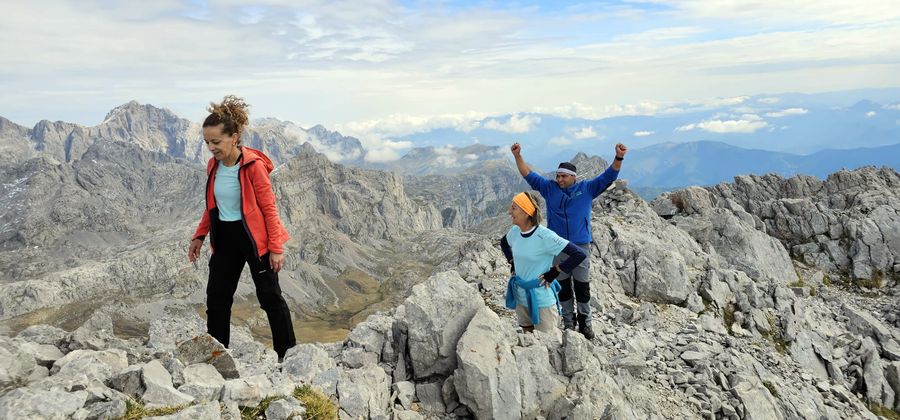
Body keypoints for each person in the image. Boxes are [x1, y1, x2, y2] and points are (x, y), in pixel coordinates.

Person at [188, 95, 296, 362]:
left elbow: (269, 209)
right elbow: (211, 207)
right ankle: (217, 356)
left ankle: (287, 355)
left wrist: (276, 248)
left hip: (254, 240)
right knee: (217, 299)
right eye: (207, 142)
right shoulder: (213, 166)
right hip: (225, 238)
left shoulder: (253, 167)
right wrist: (199, 236)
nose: (211, 148)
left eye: (216, 142)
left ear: (234, 137)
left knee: (270, 297)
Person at [510, 142, 627, 339]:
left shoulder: (587, 188)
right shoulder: (549, 189)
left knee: (582, 286)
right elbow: (528, 174)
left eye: (563, 176)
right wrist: (517, 156)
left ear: (573, 176)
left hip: (580, 246)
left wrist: (619, 157)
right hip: (557, 246)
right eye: (558, 176)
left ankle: (585, 322)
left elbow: (609, 176)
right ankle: (568, 322)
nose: (559, 179)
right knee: (562, 285)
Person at [501, 191, 586, 334]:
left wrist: (555, 271)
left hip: (542, 301)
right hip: (521, 297)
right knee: (528, 339)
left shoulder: (545, 236)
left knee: (548, 342)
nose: (509, 211)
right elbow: (504, 243)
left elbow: (579, 254)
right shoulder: (515, 231)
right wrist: (512, 261)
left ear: (526, 212)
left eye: (514, 208)